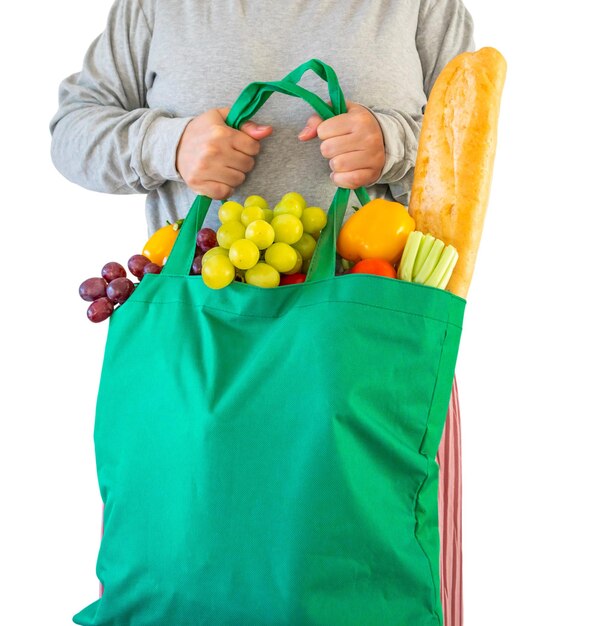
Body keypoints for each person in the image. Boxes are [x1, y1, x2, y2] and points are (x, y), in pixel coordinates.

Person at [50, 1, 474, 624]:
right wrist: (171, 143)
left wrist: (393, 141)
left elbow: (468, 143)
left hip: (367, 364)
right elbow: (71, 134)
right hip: (200, 371)